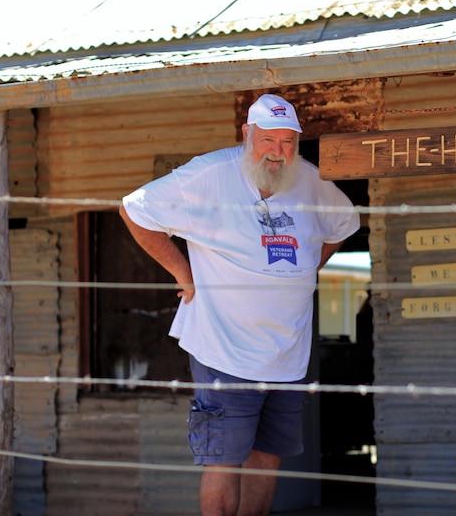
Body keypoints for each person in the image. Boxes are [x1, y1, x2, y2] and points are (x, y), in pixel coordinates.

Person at [119, 93, 360, 516]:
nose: (278, 152)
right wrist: (183, 274)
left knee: (268, 457)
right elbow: (136, 210)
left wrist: (308, 268)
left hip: (286, 354)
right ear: (247, 133)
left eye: (288, 142)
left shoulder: (308, 179)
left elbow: (345, 222)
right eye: (268, 139)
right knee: (223, 458)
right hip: (223, 349)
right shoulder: (210, 174)